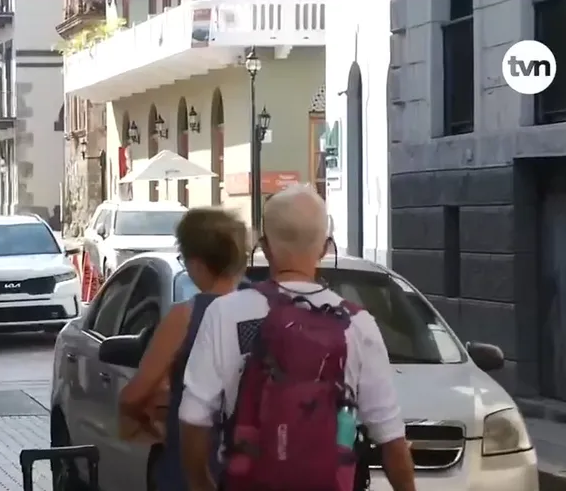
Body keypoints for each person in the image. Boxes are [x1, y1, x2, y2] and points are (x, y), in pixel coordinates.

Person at [178, 185, 416, 491]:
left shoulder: (224, 313)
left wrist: (203, 486)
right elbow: (391, 439)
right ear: (326, 247)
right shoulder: (357, 324)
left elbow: (193, 418)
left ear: (264, 247)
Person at [119, 207, 247, 491]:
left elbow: (135, 395)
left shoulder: (186, 317)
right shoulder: (262, 309)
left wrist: (147, 422)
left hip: (193, 467)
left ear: (198, 263)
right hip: (251, 467)